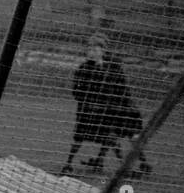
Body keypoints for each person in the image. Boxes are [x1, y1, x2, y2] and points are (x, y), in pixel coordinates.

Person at [60, 33, 152, 178]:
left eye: (96, 50)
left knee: (131, 126)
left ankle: (141, 162)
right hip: (92, 111)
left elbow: (122, 87)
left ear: (103, 51)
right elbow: (77, 92)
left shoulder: (113, 66)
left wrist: (127, 104)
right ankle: (122, 166)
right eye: (89, 49)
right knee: (109, 131)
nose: (92, 52)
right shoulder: (84, 69)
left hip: (114, 107)